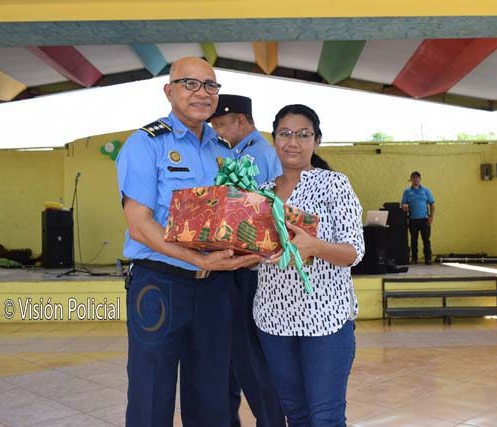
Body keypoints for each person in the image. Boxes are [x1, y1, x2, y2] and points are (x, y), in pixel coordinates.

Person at [116, 56, 261, 427]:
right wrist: (200, 260)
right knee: (152, 392)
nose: (202, 93)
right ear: (169, 91)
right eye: (190, 83)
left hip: (216, 288)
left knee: (213, 395)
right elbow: (139, 226)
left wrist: (259, 247)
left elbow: (234, 219)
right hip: (159, 285)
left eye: (210, 85)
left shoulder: (224, 151)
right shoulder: (145, 144)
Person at [253, 104, 365, 426]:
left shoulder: (334, 184)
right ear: (274, 139)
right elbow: (254, 259)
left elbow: (354, 251)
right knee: (296, 413)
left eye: (303, 135)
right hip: (273, 319)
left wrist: (314, 246)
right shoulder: (260, 194)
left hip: (325, 317)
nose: (293, 142)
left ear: (316, 140)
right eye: (285, 134)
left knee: (325, 417)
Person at [209, 94, 286, 427]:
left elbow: (250, 215)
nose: (216, 132)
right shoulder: (241, 153)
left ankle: (269, 421)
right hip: (238, 267)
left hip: (249, 269)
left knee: (250, 359)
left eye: (221, 124)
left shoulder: (256, 155)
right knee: (233, 358)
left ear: (241, 120)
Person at [401, 171, 436, 265]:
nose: (415, 179)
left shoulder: (426, 191)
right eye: (413, 178)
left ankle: (428, 258)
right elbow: (403, 204)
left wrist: (431, 216)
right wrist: (404, 207)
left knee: (426, 240)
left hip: (424, 219)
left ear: (420, 179)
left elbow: (432, 204)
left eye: (417, 177)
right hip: (412, 219)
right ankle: (414, 258)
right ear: (411, 180)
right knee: (413, 240)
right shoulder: (407, 192)